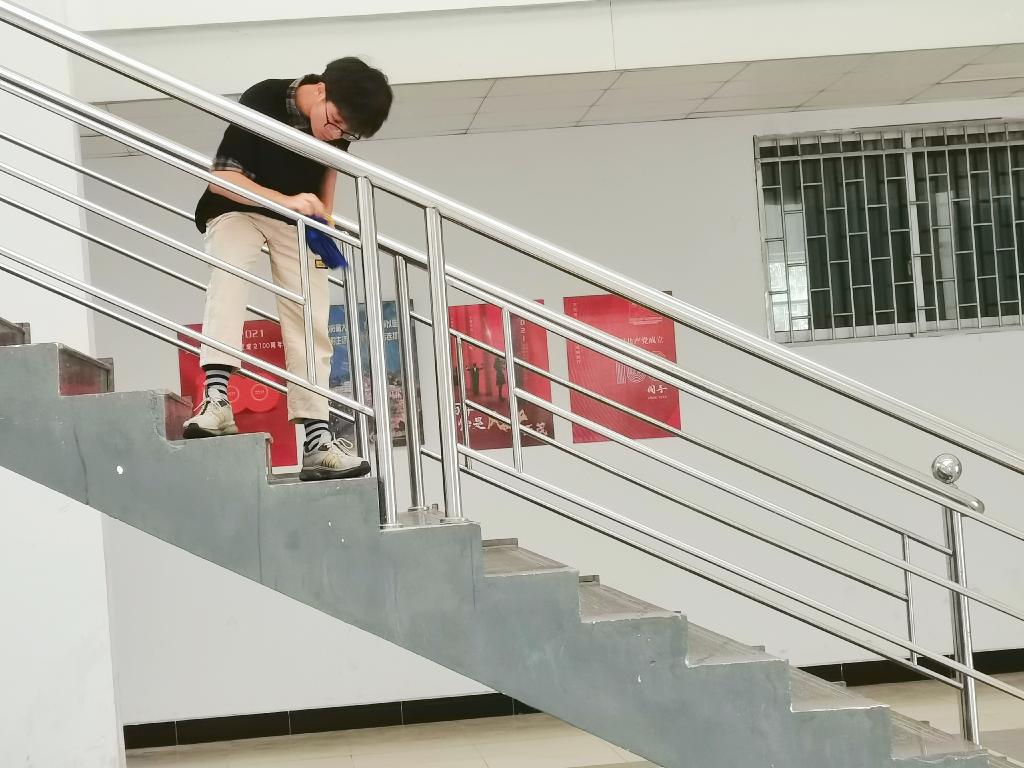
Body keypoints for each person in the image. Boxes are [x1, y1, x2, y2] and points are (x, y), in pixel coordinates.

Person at [182, 58, 393, 481]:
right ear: (321, 90)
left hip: (294, 219)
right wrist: (288, 201)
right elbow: (222, 179)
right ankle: (217, 400)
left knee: (311, 316)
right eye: (334, 121)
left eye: (347, 133)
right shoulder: (264, 97)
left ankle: (317, 442)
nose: (335, 134)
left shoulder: (338, 125)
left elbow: (330, 165)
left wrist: (324, 218)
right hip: (236, 207)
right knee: (230, 274)